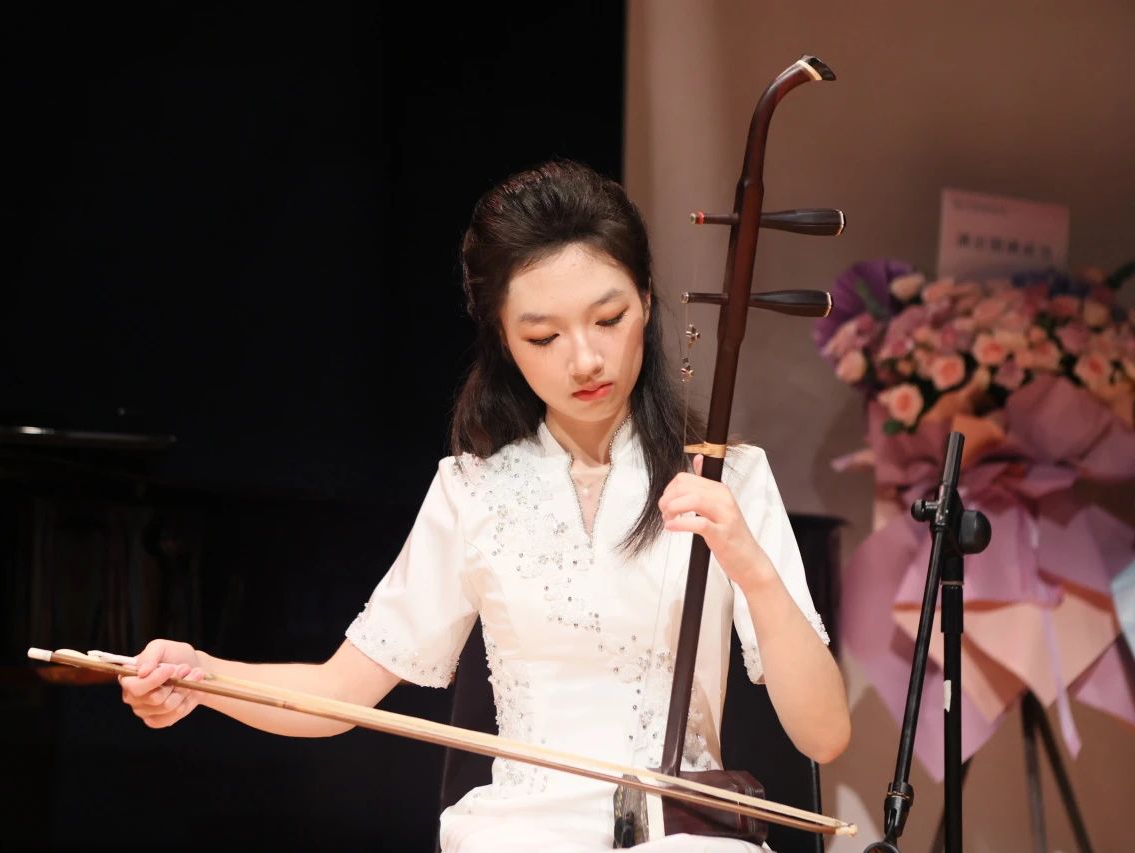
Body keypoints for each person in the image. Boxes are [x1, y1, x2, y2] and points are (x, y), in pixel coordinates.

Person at [118, 159, 851, 851]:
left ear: (648, 303)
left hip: (680, 833)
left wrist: (752, 567)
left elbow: (824, 735)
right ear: (504, 339)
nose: (585, 359)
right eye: (544, 335)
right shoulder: (472, 489)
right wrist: (201, 675)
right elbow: (339, 691)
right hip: (521, 831)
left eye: (608, 318)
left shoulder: (728, 475)